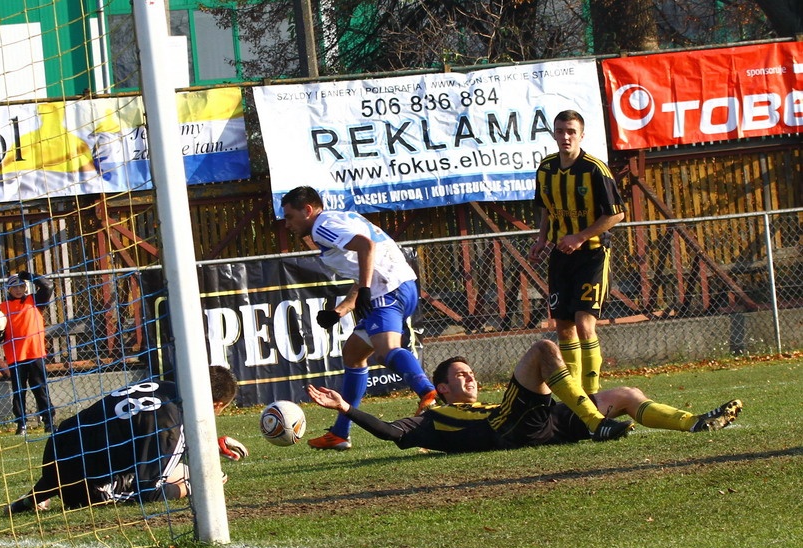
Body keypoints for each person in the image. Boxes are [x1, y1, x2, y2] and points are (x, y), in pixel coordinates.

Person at [306, 339, 742, 454]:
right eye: (461, 375)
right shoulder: (432, 419)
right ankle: (595, 425)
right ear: (440, 388)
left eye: (472, 373)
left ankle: (695, 422)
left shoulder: (480, 401)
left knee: (627, 393)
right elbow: (386, 432)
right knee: (542, 350)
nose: (471, 378)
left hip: (538, 423)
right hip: (509, 427)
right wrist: (346, 408)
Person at [281, 185, 437, 451]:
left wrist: (365, 288)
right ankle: (341, 433)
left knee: (387, 350)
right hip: (399, 285)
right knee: (354, 354)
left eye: (290, 217)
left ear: (308, 210)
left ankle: (428, 394)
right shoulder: (339, 219)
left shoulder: (321, 225)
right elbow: (365, 265)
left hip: (387, 290)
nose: (287, 225)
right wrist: (340, 311)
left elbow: (366, 246)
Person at [4, 365, 248, 514]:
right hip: (87, 488)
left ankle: (35, 498)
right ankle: (49, 494)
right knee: (188, 475)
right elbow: (147, 493)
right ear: (216, 405)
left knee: (172, 466)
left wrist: (210, 443)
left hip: (56, 451)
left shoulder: (163, 387)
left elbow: (137, 430)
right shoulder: (171, 425)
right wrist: (196, 486)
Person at [529, 109, 626, 396]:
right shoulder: (546, 169)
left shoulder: (595, 169)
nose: (566, 137)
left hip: (592, 255)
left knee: (584, 324)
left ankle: (592, 395)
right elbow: (547, 208)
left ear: (582, 135)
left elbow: (616, 214)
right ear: (554, 134)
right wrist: (542, 239)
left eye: (571, 131)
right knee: (563, 327)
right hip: (561, 255)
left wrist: (581, 236)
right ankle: (574, 397)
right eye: (561, 131)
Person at [0, 270, 56, 434]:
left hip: (35, 353)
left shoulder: (35, 300)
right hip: (15, 356)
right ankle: (22, 424)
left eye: (21, 285)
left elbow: (48, 286)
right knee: (19, 391)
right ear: (8, 290)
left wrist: (31, 276)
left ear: (26, 287)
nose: (18, 290)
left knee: (40, 388)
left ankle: (48, 421)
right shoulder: (1, 309)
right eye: (15, 287)